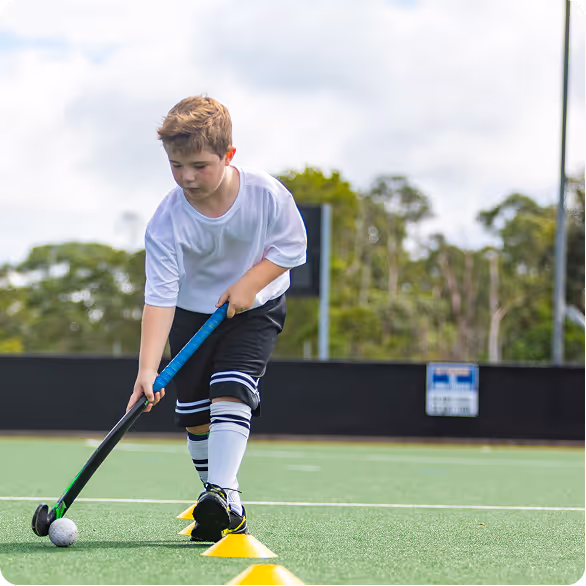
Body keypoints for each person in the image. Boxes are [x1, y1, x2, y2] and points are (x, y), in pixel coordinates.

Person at [125, 95, 307, 542]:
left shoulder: (265, 193)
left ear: (229, 156)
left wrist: (251, 283)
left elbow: (291, 248)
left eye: (200, 166)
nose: (187, 177)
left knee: (232, 388)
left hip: (256, 308)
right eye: (176, 166)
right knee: (194, 415)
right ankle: (226, 502)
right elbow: (160, 296)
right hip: (191, 312)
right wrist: (147, 369)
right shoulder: (167, 221)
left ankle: (221, 493)